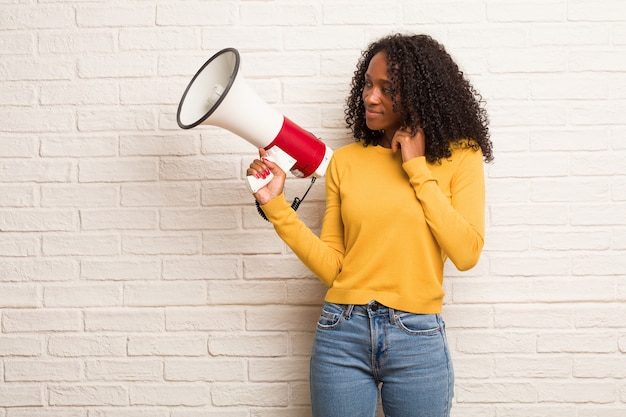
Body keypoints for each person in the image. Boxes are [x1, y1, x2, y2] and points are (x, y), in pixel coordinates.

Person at [247, 33, 493, 417]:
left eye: (386, 88)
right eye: (367, 84)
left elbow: (466, 253)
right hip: (340, 333)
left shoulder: (462, 157)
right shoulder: (346, 162)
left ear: (420, 94)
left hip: (418, 337)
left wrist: (416, 168)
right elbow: (334, 267)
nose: (370, 96)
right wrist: (276, 206)